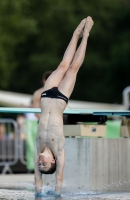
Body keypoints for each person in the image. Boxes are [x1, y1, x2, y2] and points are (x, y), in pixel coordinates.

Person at [35, 16, 94, 196]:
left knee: (62, 65)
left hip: (46, 95)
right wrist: (57, 195)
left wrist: (38, 193)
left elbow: (37, 179)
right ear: (53, 161)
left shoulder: (38, 147)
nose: (40, 161)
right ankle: (86, 35)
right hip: (61, 97)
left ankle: (75, 34)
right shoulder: (59, 150)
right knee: (73, 67)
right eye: (44, 164)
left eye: (39, 165)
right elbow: (58, 178)